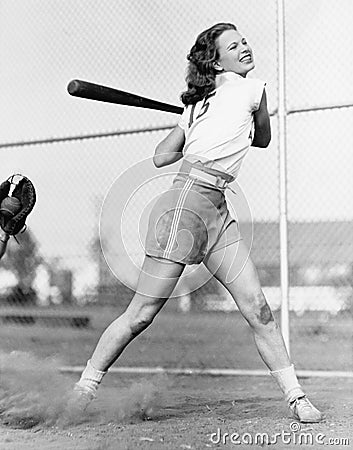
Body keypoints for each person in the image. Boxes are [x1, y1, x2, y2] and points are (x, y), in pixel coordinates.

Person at [71, 23, 323, 423]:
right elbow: (161, 157)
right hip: (184, 205)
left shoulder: (252, 90)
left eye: (244, 41)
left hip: (218, 210)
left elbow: (260, 139)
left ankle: (297, 398)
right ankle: (84, 389)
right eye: (233, 46)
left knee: (258, 308)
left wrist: (208, 121)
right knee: (141, 314)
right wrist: (191, 124)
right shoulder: (199, 105)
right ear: (215, 59)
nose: (244, 48)